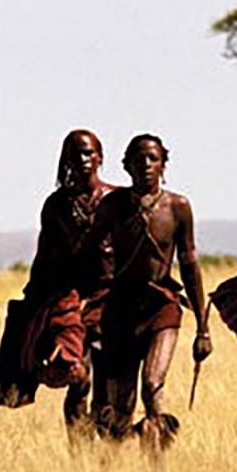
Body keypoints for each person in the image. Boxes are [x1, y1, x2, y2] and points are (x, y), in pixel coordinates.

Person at [82, 134, 211, 454]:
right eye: (139, 158)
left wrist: (203, 328)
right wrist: (84, 300)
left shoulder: (178, 207)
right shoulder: (112, 206)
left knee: (152, 385)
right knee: (121, 404)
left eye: (153, 158)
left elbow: (190, 264)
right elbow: (88, 251)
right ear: (126, 165)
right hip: (121, 310)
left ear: (163, 164)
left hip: (161, 307)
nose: (146, 165)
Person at [23, 129, 114, 444]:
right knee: (77, 377)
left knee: (107, 384)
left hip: (111, 299)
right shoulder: (56, 206)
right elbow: (44, 256)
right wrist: (32, 305)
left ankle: (106, 455)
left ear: (100, 157)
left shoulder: (116, 200)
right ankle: (80, 457)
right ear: (66, 160)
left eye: (89, 153)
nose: (83, 160)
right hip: (69, 299)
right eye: (76, 154)